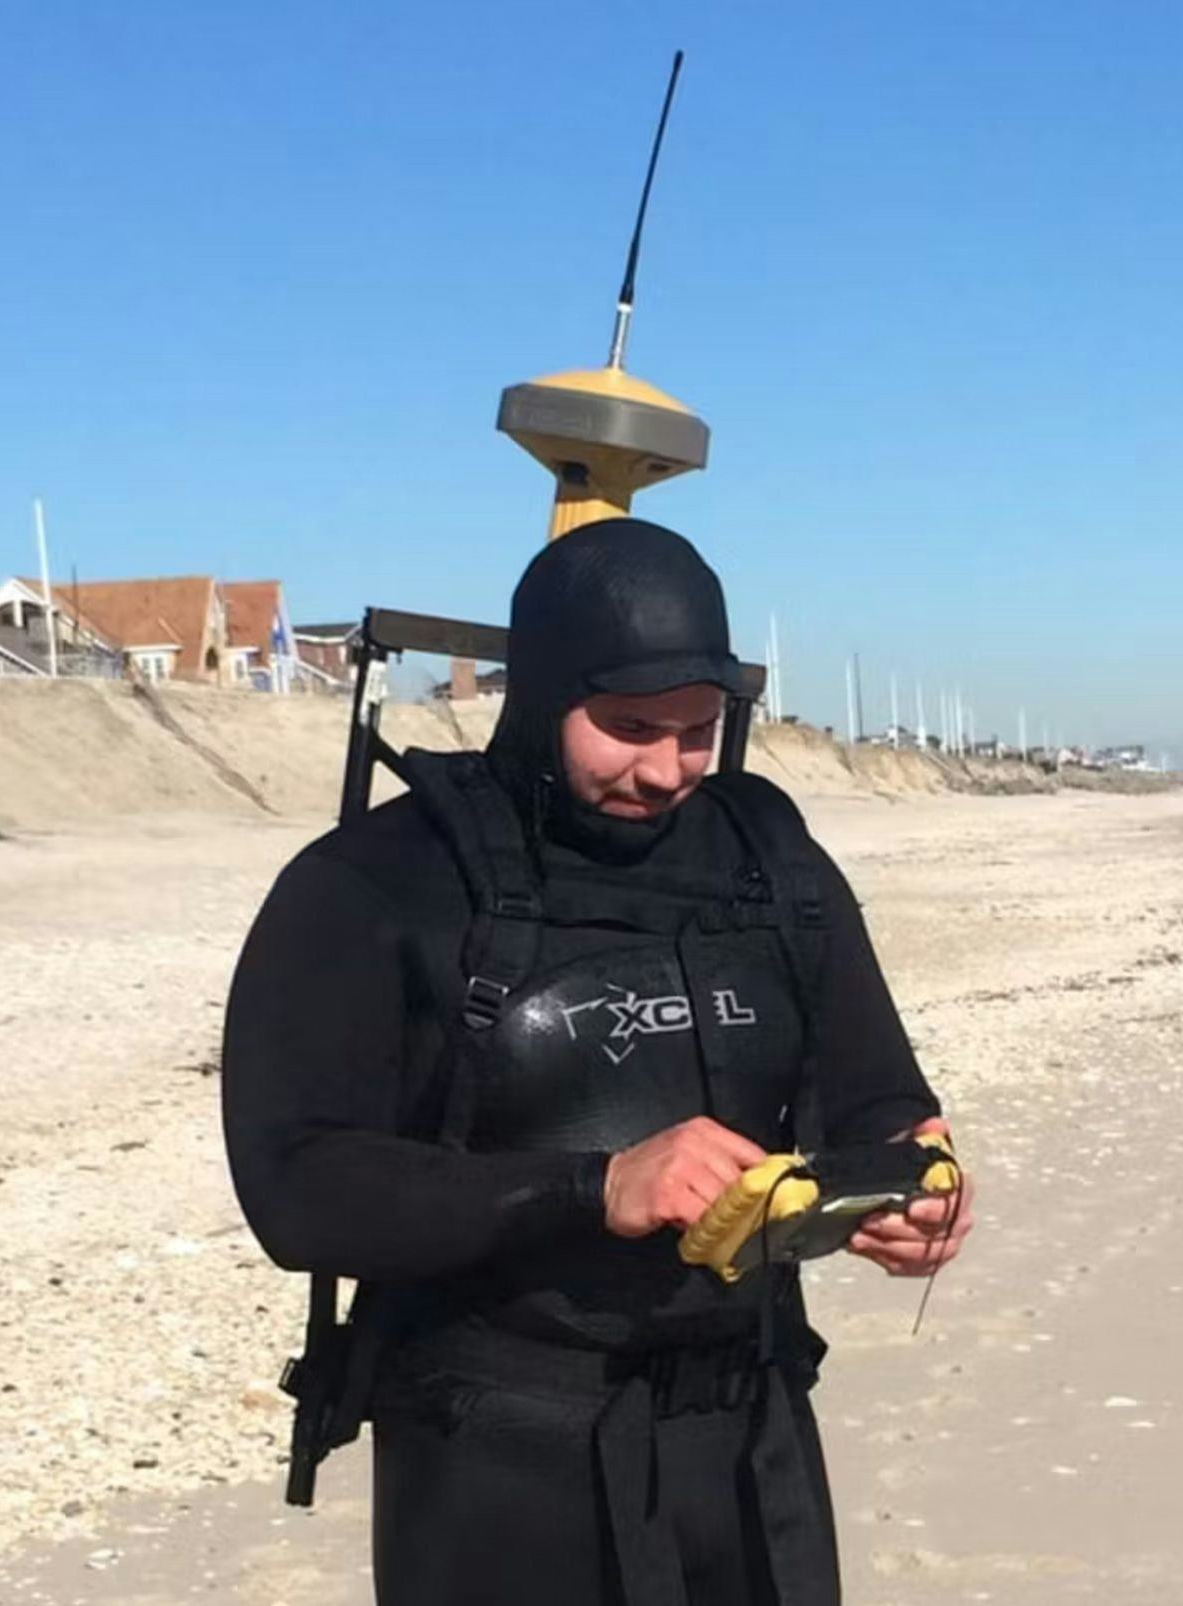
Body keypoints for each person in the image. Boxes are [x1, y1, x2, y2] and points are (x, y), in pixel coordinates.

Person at [222, 518, 972, 1606]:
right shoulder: (375, 882)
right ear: (540, 693)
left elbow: (881, 1098)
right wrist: (593, 1186)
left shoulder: (772, 865)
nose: (667, 769)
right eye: (627, 727)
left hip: (751, 1439)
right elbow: (297, 1186)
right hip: (500, 1458)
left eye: (698, 730)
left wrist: (909, 1188)